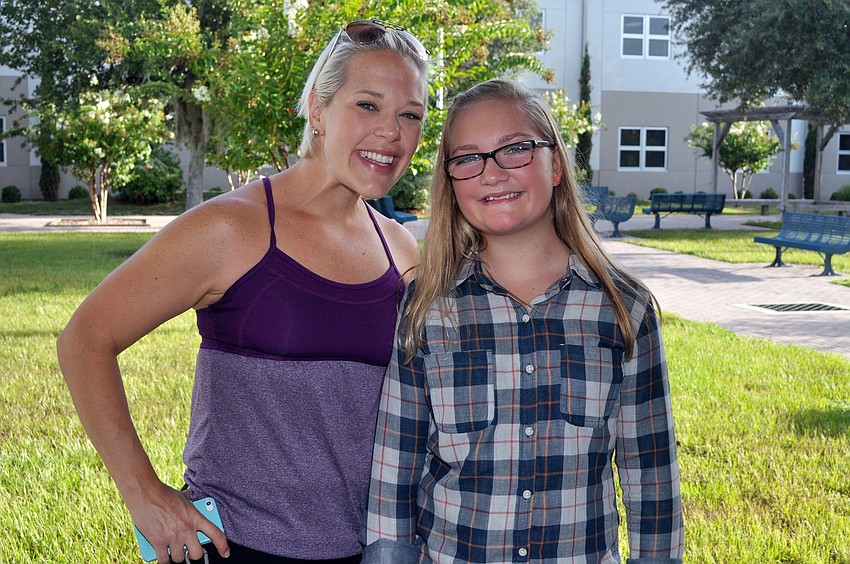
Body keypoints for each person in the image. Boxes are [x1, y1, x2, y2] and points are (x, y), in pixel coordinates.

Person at [57, 19, 430, 564]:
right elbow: (85, 339)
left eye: (411, 115)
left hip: (366, 550)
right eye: (368, 105)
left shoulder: (400, 249)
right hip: (237, 546)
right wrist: (144, 494)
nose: (392, 133)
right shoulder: (231, 228)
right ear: (318, 109)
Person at [360, 79, 684, 563]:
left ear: (555, 165)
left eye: (514, 149)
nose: (491, 173)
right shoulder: (427, 308)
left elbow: (651, 474)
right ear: (451, 183)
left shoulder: (623, 309)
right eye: (468, 158)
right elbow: (396, 467)